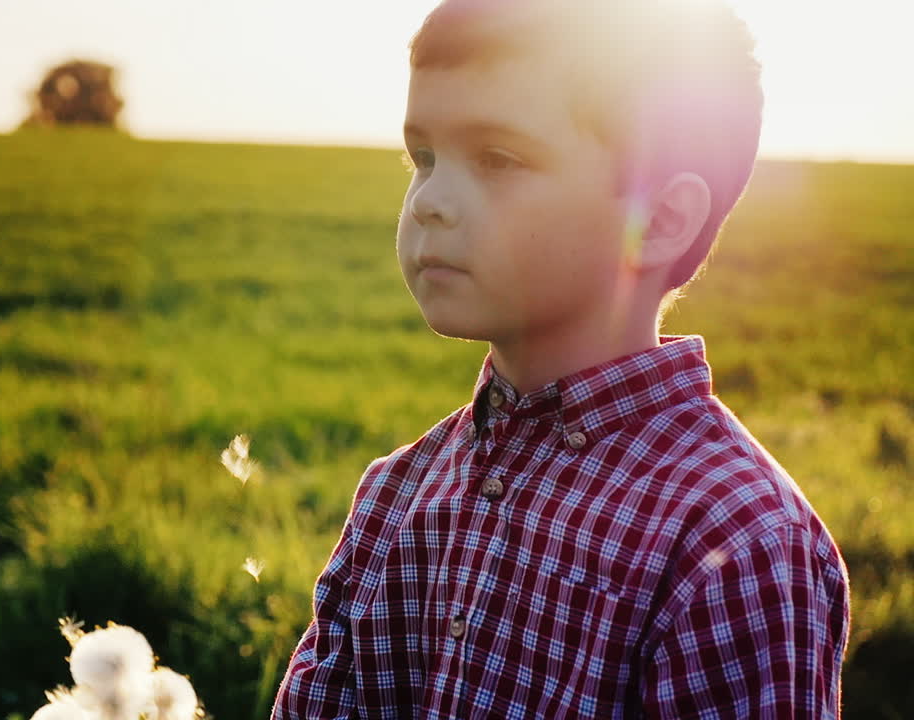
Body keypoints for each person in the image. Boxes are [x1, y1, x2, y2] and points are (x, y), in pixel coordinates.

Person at [271, 0, 850, 717]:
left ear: (660, 220)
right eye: (422, 157)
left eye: (497, 159)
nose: (430, 202)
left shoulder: (736, 541)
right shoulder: (395, 496)